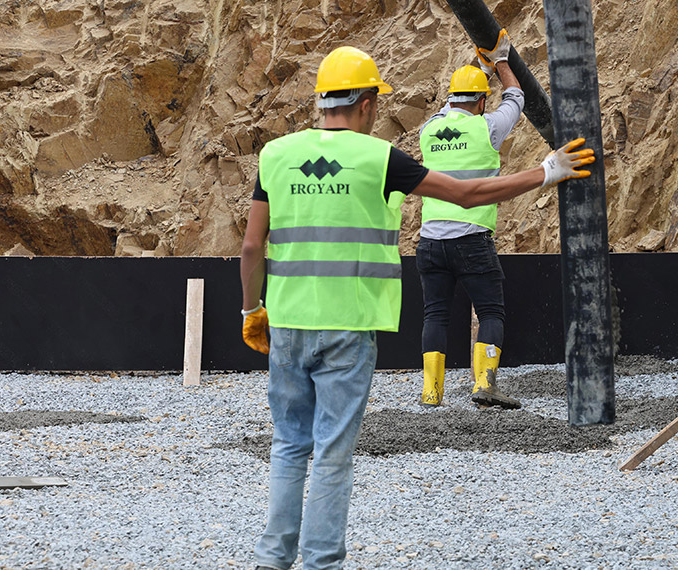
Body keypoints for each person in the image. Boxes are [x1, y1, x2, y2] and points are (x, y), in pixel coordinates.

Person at [239, 45, 594, 570]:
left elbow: (252, 246)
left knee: (289, 445)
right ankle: (320, 564)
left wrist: (252, 311)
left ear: (322, 100)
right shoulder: (378, 158)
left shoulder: (275, 154)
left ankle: (272, 560)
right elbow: (467, 194)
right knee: (332, 452)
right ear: (365, 104)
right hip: (348, 328)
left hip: (287, 324)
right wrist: (546, 171)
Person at [416, 29, 525, 410]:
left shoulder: (428, 130)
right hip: (472, 240)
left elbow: (449, 108)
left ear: (450, 99)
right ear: (481, 101)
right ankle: (485, 384)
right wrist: (501, 60)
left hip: (430, 241)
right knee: (491, 311)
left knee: (435, 315)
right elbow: (516, 97)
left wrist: (479, 69)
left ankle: (432, 394)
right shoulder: (487, 128)